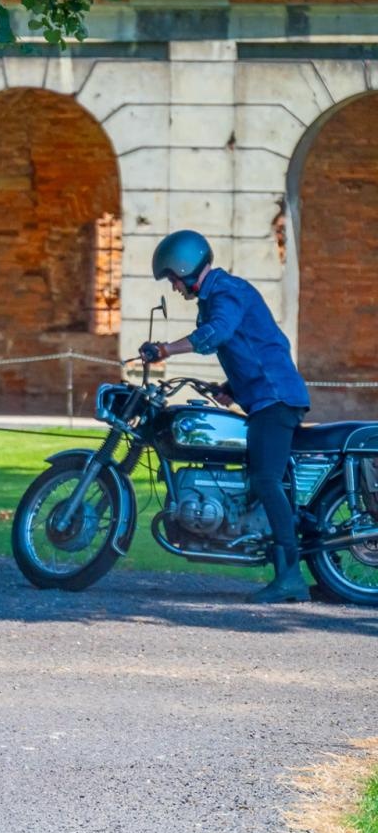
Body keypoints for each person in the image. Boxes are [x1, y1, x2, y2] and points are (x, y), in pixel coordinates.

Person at [140, 229, 312, 603]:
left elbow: (217, 333)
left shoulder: (226, 292)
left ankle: (290, 577)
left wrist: (166, 350)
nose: (174, 287)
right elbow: (254, 346)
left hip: (276, 400)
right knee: (260, 479)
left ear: (185, 267)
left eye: (172, 277)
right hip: (265, 397)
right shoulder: (218, 296)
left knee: (265, 480)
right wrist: (230, 388)